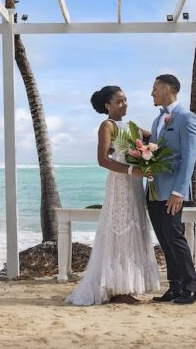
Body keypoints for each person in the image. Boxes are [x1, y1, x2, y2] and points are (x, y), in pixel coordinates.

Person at [66, 86, 160, 305]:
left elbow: (155, 137)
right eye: (119, 101)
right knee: (121, 229)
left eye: (126, 100)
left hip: (135, 185)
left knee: (135, 228)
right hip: (120, 183)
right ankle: (118, 289)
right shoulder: (107, 125)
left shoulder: (132, 126)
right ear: (107, 105)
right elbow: (103, 160)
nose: (124, 104)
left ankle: (128, 286)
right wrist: (131, 170)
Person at [146, 74, 196, 305]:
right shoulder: (157, 120)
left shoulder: (186, 118)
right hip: (154, 190)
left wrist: (179, 192)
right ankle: (175, 287)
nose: (152, 93)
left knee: (175, 238)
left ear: (168, 89)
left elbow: (189, 157)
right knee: (165, 240)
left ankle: (191, 288)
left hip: (172, 193)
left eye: (155, 88)